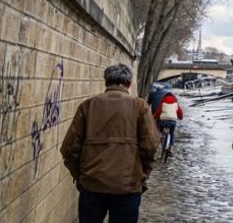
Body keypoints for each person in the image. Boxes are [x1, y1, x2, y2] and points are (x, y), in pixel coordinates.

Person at [60, 63, 160, 223]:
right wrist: (142, 175)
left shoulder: (88, 106)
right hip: (127, 187)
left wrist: (80, 176)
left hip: (92, 185)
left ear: (106, 81)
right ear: (129, 83)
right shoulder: (140, 107)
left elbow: (69, 149)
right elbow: (150, 146)